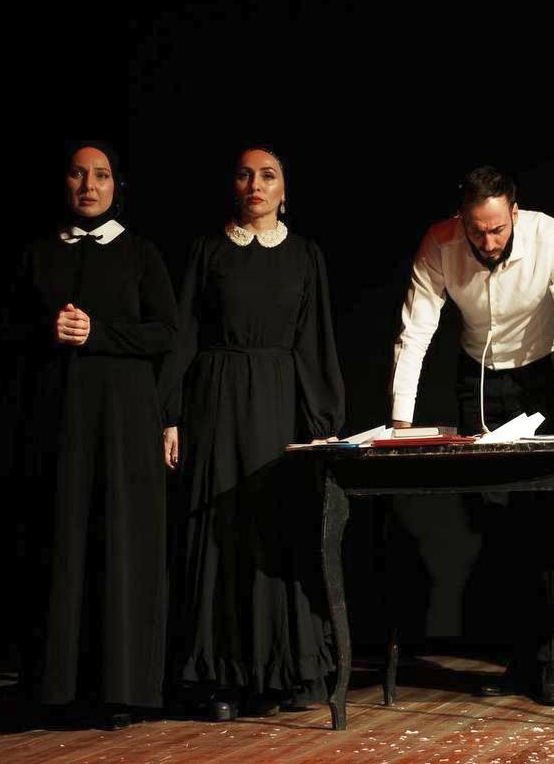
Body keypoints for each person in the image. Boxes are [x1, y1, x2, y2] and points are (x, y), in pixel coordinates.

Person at [388, 165, 554, 706]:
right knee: (499, 522)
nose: (487, 242)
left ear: (514, 210)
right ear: (460, 219)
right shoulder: (440, 244)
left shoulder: (551, 237)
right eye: (476, 231)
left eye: (497, 230)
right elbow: (415, 332)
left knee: (549, 515)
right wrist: (399, 421)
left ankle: (552, 665)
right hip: (479, 376)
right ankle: (518, 659)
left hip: (545, 372)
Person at [160, 146, 345, 721]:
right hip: (216, 403)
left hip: (279, 404)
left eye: (268, 176)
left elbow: (315, 340)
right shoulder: (208, 251)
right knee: (222, 534)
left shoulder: (305, 255)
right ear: (232, 186)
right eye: (245, 175)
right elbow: (184, 333)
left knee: (276, 531)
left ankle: (285, 670)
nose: (255, 185)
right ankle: (220, 676)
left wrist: (322, 425)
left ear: (284, 190)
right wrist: (170, 414)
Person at [5, 142, 177, 730]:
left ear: (116, 185)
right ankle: (53, 690)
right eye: (79, 174)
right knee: (60, 543)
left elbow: (166, 333)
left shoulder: (139, 253)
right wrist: (47, 329)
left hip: (124, 421)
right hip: (57, 420)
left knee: (119, 544)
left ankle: (119, 691)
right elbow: (4, 331)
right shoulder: (38, 253)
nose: (88, 185)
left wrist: (99, 333)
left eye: (100, 175)